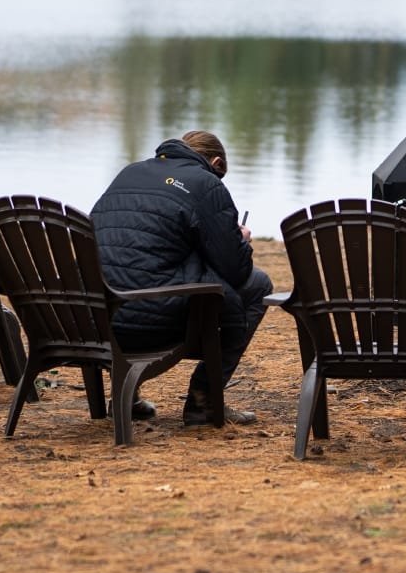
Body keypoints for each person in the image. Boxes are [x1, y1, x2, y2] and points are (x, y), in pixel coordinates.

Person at [90, 130, 272, 426]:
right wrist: (239, 240)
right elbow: (235, 270)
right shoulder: (206, 184)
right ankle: (204, 398)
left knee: (138, 266)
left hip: (98, 318)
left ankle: (127, 395)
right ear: (215, 162)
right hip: (151, 323)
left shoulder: (131, 172)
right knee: (258, 284)